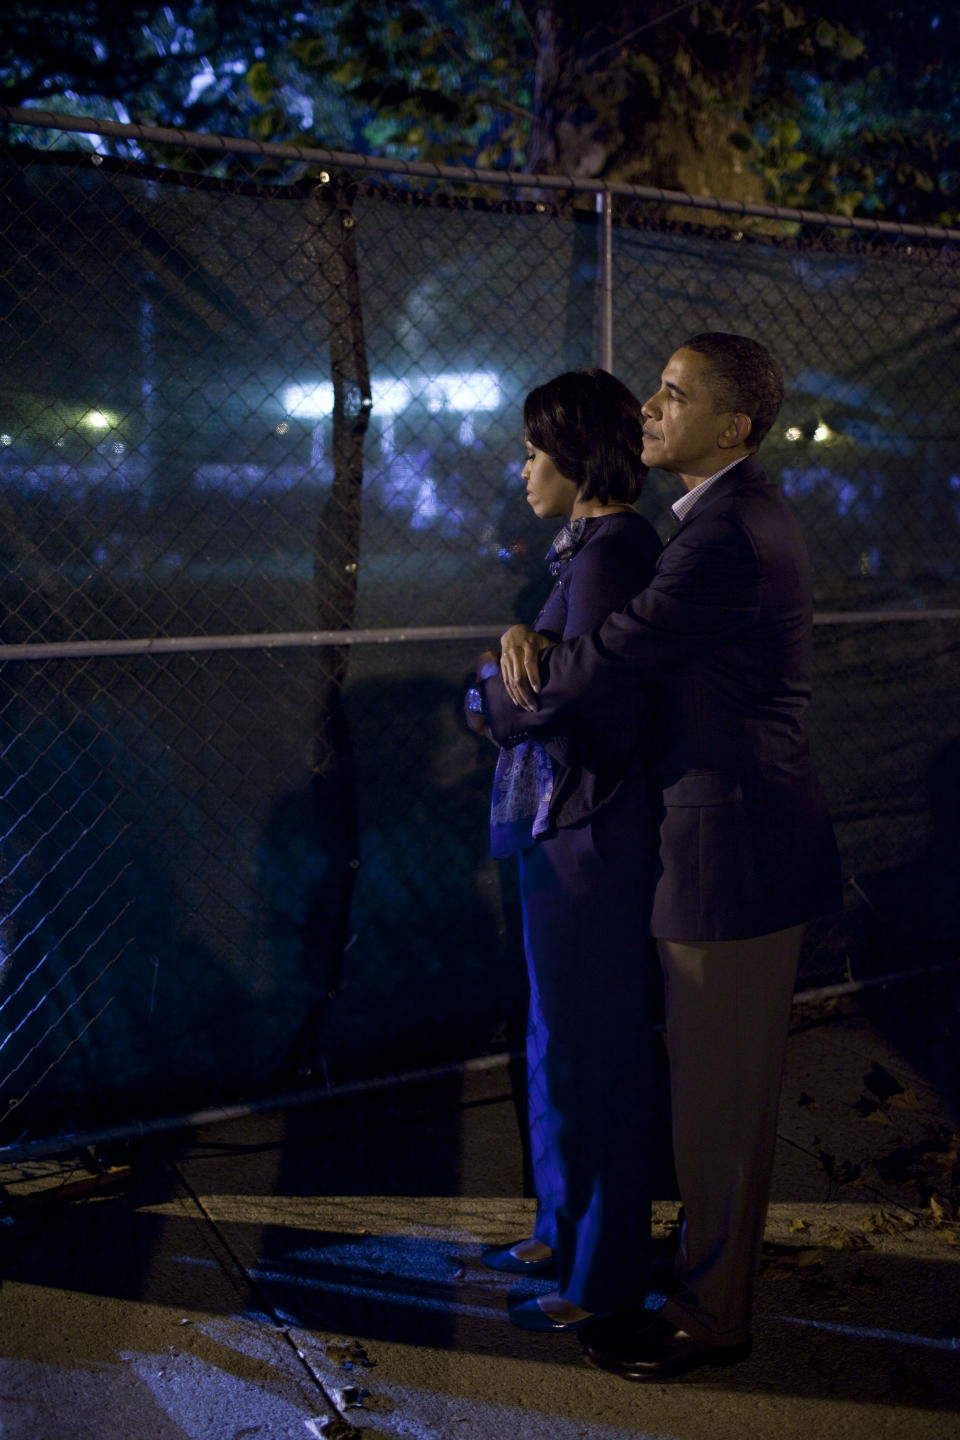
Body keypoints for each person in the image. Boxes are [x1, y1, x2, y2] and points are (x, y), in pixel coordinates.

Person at [478, 334, 842, 1374]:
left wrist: (511, 665)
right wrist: (527, 653)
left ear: (733, 426)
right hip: (720, 842)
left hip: (735, 850)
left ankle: (711, 1316)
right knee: (705, 1099)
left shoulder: (724, 534)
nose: (650, 406)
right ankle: (697, 1291)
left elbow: (602, 661)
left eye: (676, 395)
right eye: (656, 388)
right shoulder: (709, 523)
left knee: (719, 1113)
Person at [465, 368, 663, 1332]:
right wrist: (507, 658)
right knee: (558, 1038)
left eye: (536, 450)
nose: (525, 467)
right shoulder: (586, 550)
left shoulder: (612, 552)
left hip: (589, 831)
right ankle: (560, 1225)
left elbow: (543, 695)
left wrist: (491, 689)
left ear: (577, 456)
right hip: (568, 828)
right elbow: (528, 676)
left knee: (591, 1048)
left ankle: (599, 1272)